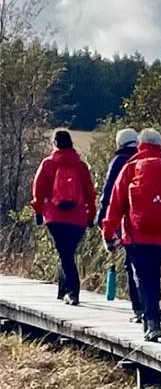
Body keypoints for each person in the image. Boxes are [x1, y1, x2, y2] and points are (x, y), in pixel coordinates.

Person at [102, 128, 161, 342]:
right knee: (153, 274)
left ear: (140, 145)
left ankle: (151, 320)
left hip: (136, 235)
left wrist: (108, 234)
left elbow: (115, 205)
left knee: (143, 276)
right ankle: (154, 313)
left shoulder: (130, 168)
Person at [31, 130, 97, 306]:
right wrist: (91, 215)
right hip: (78, 218)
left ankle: (73, 292)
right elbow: (90, 193)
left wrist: (38, 212)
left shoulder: (48, 164)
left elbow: (38, 190)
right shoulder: (81, 166)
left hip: (55, 217)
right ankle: (63, 290)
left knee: (65, 254)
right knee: (67, 252)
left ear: (54, 143)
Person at [96, 127, 143, 320]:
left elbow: (109, 194)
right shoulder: (148, 160)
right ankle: (151, 304)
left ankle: (139, 308)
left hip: (128, 222)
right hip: (151, 221)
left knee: (131, 264)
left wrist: (102, 218)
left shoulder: (119, 162)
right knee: (149, 265)